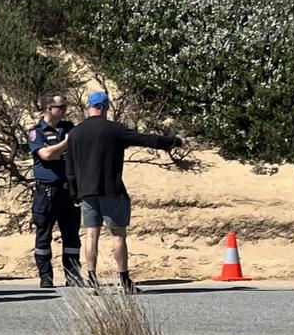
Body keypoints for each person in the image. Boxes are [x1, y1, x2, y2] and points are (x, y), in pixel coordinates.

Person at [64, 90, 182, 294]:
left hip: (86, 191)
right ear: (105, 107)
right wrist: (172, 142)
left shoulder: (75, 133)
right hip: (112, 189)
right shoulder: (114, 129)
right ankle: (124, 280)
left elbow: (70, 167)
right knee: (118, 236)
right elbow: (143, 139)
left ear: (89, 107)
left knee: (91, 235)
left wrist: (74, 192)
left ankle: (92, 280)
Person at [28, 95, 82, 288]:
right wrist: (66, 144)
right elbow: (47, 154)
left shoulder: (70, 128)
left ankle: (73, 275)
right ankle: (45, 276)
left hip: (69, 191)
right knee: (44, 234)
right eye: (61, 107)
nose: (65, 110)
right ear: (48, 109)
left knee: (72, 236)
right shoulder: (37, 132)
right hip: (46, 192)